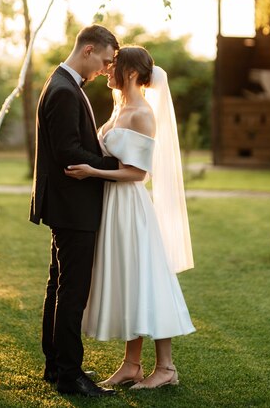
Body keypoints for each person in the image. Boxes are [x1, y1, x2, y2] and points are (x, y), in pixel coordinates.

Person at [65, 45, 195, 390]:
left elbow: (138, 174)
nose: (108, 70)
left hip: (130, 207)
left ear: (133, 74)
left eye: (115, 66)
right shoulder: (120, 107)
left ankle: (165, 368)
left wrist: (92, 171)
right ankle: (131, 365)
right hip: (112, 206)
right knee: (128, 282)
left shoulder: (142, 114)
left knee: (144, 281)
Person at [29, 24, 120, 398]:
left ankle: (56, 363)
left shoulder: (62, 82)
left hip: (64, 204)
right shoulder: (65, 90)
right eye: (105, 60)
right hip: (72, 206)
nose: (105, 68)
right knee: (72, 291)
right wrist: (113, 166)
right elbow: (68, 152)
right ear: (88, 50)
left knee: (59, 285)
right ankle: (70, 374)